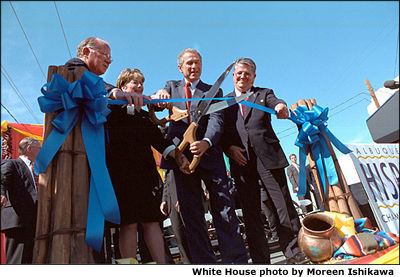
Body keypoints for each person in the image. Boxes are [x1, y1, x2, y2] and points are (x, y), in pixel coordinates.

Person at [154, 48, 248, 263]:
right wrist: (159, 95)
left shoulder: (213, 90)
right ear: (180, 68)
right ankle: (204, 264)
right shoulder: (170, 86)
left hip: (210, 156)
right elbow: (159, 102)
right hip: (180, 159)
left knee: (224, 208)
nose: (193, 66)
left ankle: (235, 261)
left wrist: (206, 142)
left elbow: (217, 120)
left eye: (197, 62)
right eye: (189, 63)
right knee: (191, 213)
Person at [221, 57, 309, 264]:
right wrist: (229, 148)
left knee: (283, 206)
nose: (243, 76)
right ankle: (261, 260)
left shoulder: (263, 93)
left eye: (247, 73)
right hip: (241, 162)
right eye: (239, 73)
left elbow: (276, 103)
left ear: (254, 77)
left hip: (268, 158)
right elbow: (221, 131)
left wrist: (280, 106)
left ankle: (294, 252)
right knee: (252, 212)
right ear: (233, 76)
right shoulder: (224, 102)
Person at [105, 68, 188, 263]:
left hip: (146, 177)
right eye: (135, 83)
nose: (140, 86)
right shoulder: (109, 113)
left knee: (152, 222)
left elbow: (159, 140)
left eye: (141, 83)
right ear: (123, 87)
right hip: (121, 177)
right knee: (129, 223)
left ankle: (161, 266)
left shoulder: (144, 116)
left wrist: (178, 156)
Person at [64, 36, 149, 108]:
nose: (109, 61)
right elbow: (88, 80)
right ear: (86, 52)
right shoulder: (74, 66)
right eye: (105, 55)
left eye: (110, 58)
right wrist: (116, 93)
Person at [1, 137, 41, 264]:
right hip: (18, 220)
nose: (41, 150)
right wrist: (1, 194)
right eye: (39, 148)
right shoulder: (12, 163)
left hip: (32, 222)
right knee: (17, 261)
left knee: (28, 261)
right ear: (29, 148)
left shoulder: (37, 170)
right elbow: (2, 178)